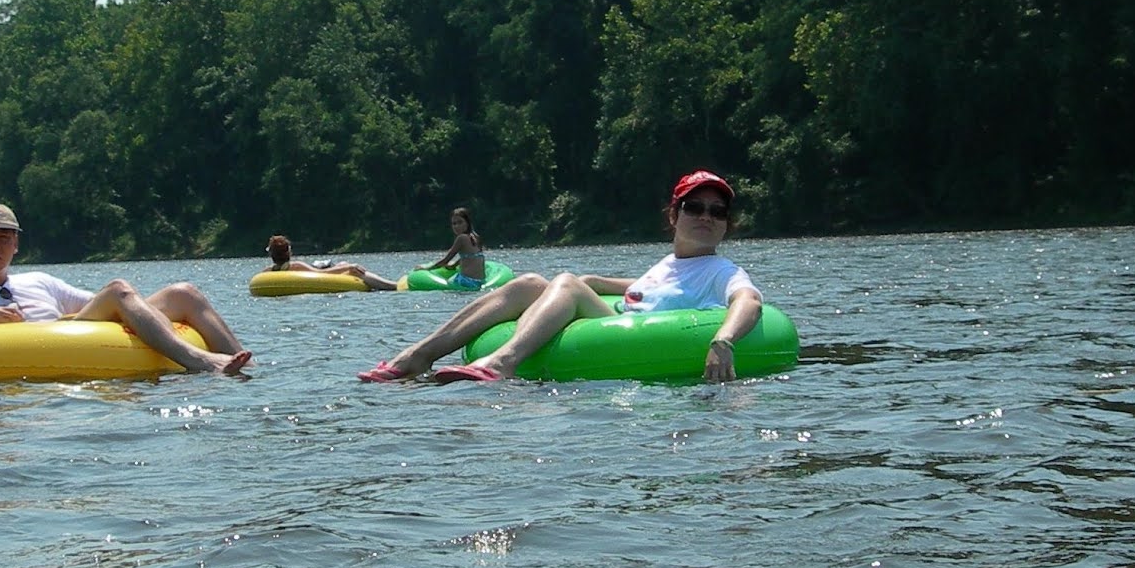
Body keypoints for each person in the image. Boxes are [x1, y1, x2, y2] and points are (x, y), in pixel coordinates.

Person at [357, 170, 762, 385]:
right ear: (674, 216)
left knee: (565, 282)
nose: (707, 216)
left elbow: (749, 300)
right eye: (696, 207)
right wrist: (597, 280)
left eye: (718, 211)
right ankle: (417, 356)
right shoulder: (669, 265)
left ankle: (501, 363)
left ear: (727, 225)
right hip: (621, 319)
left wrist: (723, 340)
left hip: (629, 336)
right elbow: (645, 289)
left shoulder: (720, 271)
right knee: (532, 281)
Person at [0, 203, 253, 375]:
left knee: (184, 292)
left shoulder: (39, 281)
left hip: (69, 334)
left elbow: (114, 304)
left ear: (16, 245)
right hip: (19, 356)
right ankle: (200, 362)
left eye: (3, 239)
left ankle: (247, 368)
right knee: (117, 288)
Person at [263, 234, 397, 291]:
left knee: (343, 264)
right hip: (319, 273)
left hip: (314, 270)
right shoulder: (296, 266)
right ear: (289, 252)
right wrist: (349, 267)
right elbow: (322, 273)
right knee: (352, 269)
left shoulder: (268, 271)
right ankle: (392, 286)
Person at [421, 206, 487, 290]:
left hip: (467, 282)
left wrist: (427, 268)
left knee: (445, 289)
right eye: (454, 223)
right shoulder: (476, 237)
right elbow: (470, 256)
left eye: (460, 222)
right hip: (480, 281)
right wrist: (455, 265)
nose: (457, 226)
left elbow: (446, 260)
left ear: (467, 222)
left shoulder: (461, 238)